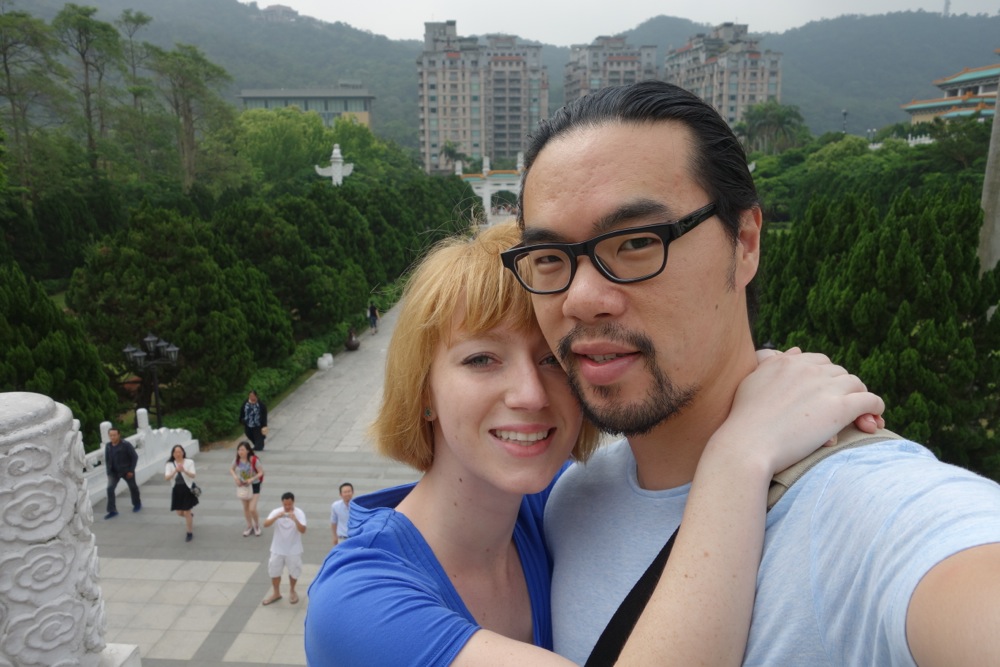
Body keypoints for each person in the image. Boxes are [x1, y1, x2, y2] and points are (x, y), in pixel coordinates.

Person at [506, 80, 1000, 665]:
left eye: (637, 242)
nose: (583, 299)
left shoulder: (869, 510)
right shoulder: (570, 501)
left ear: (744, 242)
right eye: (549, 258)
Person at [304, 222, 882, 665]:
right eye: (481, 360)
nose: (529, 394)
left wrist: (770, 389)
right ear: (423, 391)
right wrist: (740, 455)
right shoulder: (358, 602)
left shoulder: (553, 507)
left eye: (552, 360)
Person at [262, 491, 306, 605]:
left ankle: (292, 591)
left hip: (294, 549)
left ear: (293, 502)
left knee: (294, 572)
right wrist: (276, 517)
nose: (287, 507)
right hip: (277, 549)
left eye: (289, 504)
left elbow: (303, 530)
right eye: (285, 504)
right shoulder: (276, 512)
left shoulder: (299, 513)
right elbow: (265, 524)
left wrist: (295, 519)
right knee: (274, 572)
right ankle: (276, 593)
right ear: (282, 502)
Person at [103, 427, 141, 519]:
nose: (112, 437)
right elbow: (107, 459)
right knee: (110, 488)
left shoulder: (126, 445)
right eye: (110, 435)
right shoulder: (108, 446)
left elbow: (134, 457)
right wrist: (108, 471)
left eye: (114, 435)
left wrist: (131, 470)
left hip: (127, 471)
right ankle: (112, 510)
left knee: (133, 487)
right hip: (114, 472)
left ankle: (137, 504)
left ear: (119, 435)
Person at [164, 444, 198, 542]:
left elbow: (193, 475)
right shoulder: (169, 464)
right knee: (179, 513)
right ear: (173, 454)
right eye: (175, 452)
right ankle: (190, 517)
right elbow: (167, 478)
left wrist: (184, 470)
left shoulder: (189, 462)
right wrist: (175, 470)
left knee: (187, 511)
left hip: (187, 489)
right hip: (177, 490)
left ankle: (189, 532)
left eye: (179, 452)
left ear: (183, 453)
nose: (178, 454)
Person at [230, 441, 264, 537]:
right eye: (239, 450)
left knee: (252, 508)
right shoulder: (237, 459)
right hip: (243, 485)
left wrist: (252, 479)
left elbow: (261, 472)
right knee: (245, 507)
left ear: (248, 450)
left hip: (255, 485)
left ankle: (256, 525)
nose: (240, 452)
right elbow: (231, 469)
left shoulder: (253, 460)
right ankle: (249, 526)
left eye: (242, 450)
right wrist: (236, 478)